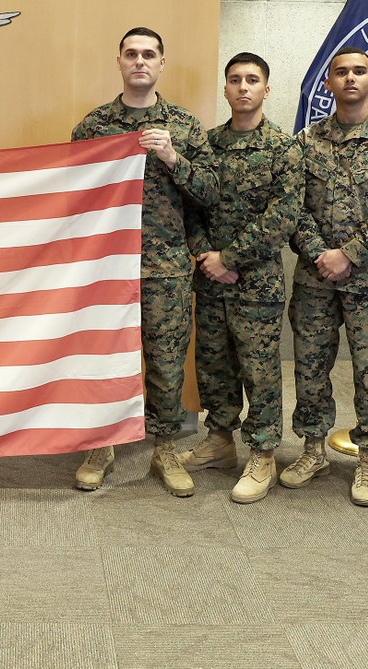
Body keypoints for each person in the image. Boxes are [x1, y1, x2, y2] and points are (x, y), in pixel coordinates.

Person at [69, 27, 219, 495]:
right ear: (118, 62)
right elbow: (72, 196)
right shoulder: (93, 127)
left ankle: (166, 449)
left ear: (161, 63)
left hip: (165, 266)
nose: (139, 61)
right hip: (107, 266)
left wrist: (173, 156)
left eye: (148, 54)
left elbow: (210, 193)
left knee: (166, 360)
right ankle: (103, 444)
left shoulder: (184, 125)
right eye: (131, 54)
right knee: (107, 357)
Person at [280, 47, 368, 507]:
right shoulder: (305, 143)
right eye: (341, 72)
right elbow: (292, 208)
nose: (351, 79)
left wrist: (350, 255)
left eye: (359, 71)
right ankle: (313, 449)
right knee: (311, 368)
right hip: (316, 279)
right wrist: (322, 253)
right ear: (329, 84)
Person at [177, 53, 301, 503]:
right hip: (210, 279)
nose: (243, 87)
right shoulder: (207, 145)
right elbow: (190, 205)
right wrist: (204, 255)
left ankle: (264, 451)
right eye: (235, 80)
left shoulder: (285, 149)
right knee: (214, 364)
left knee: (260, 369)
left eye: (252, 80)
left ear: (266, 90)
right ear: (225, 89)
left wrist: (229, 257)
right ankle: (220, 440)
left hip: (257, 283)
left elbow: (283, 216)